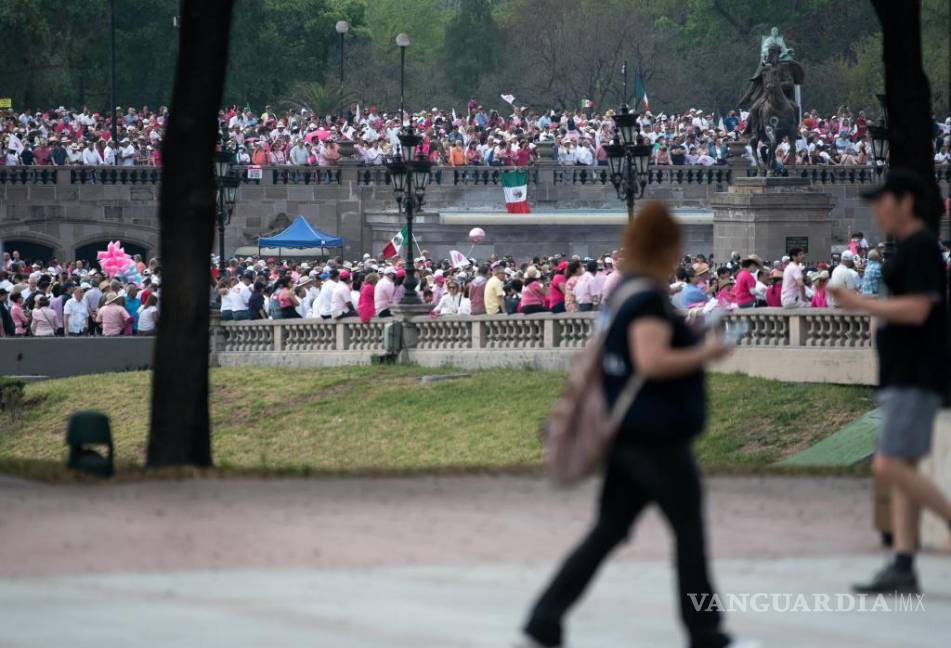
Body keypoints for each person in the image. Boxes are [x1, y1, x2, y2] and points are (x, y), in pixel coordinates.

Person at [522, 202, 735, 648]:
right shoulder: (648, 299)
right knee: (689, 532)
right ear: (668, 247)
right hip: (655, 435)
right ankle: (705, 632)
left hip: (626, 431)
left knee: (608, 531)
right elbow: (650, 360)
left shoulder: (625, 294)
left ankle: (545, 617)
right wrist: (706, 352)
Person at [830, 169, 951, 595]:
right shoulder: (910, 248)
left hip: (915, 373)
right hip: (903, 371)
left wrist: (859, 303)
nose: (878, 210)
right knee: (904, 468)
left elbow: (918, 310)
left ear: (905, 203)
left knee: (889, 464)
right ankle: (903, 564)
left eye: (884, 201)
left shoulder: (920, 248)